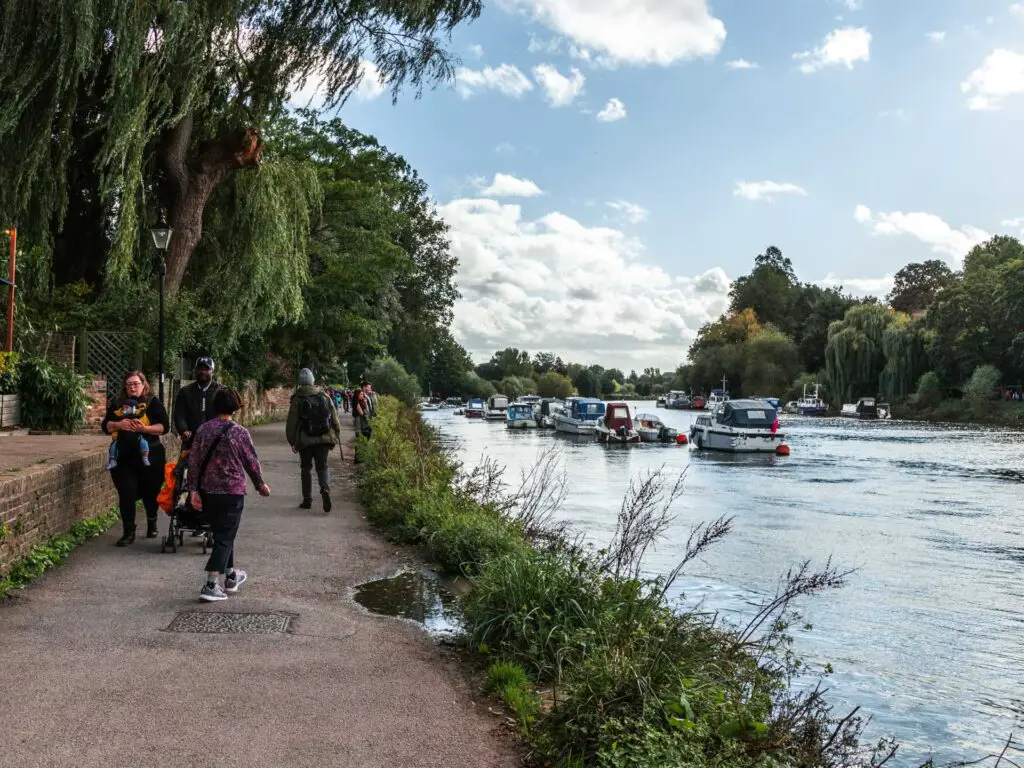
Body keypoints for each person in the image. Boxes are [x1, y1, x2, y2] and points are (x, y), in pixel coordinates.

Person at [186, 388, 270, 603]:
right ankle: (210, 584)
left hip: (208, 490)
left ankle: (231, 576)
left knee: (223, 533)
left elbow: (193, 461)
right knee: (224, 536)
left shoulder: (203, 430)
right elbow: (251, 461)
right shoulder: (239, 432)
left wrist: (193, 490)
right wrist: (260, 484)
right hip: (232, 491)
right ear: (236, 406)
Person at [102, 371, 170, 545]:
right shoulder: (117, 404)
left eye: (135, 383)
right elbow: (106, 426)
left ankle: (152, 522)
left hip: (150, 457)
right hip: (124, 458)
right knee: (126, 493)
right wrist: (119, 424)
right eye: (129, 384)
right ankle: (128, 531)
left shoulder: (153, 403)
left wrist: (144, 429)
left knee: (151, 492)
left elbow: (164, 427)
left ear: (143, 384)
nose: (132, 387)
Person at [285, 368, 341, 512]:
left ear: (300, 382)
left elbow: (292, 422)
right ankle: (325, 490)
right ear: (312, 381)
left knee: (306, 469)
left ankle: (307, 500)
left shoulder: (297, 399)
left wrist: (292, 441)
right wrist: (336, 434)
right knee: (322, 467)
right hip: (323, 439)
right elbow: (334, 417)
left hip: (305, 441)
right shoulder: (324, 396)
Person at [173, 356, 225, 448]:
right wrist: (183, 430)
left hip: (215, 443)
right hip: (191, 442)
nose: (202, 372)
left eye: (206, 369)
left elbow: (226, 415)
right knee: (185, 463)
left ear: (212, 371)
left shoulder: (221, 391)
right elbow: (179, 414)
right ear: (195, 370)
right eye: (200, 368)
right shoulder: (185, 392)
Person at [104, 396, 151, 470]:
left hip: (137, 437)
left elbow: (146, 423)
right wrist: (114, 435)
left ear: (133, 408)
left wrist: (141, 424)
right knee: (113, 446)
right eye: (123, 407)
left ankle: (145, 457)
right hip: (121, 438)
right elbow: (115, 428)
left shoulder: (140, 416)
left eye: (127, 407)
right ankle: (112, 460)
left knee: (144, 443)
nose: (124, 409)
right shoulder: (120, 417)